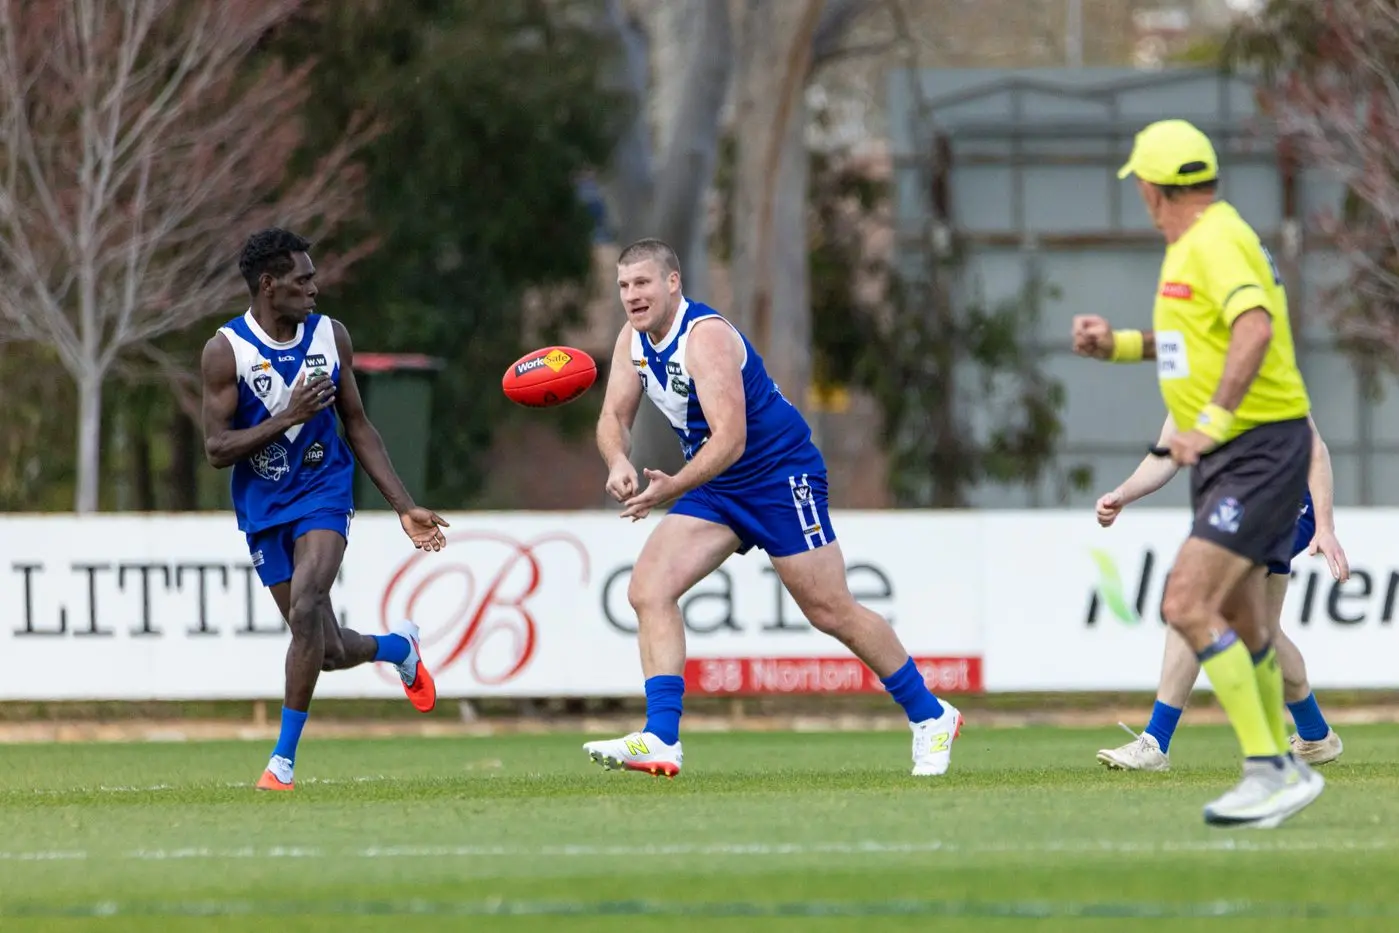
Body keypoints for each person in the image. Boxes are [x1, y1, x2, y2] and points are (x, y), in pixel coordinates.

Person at [583, 238, 962, 778]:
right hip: (719, 483)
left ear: (673, 283)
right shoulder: (632, 340)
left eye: (642, 283)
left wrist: (671, 489)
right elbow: (612, 417)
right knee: (648, 588)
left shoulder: (705, 338)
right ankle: (661, 738)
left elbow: (732, 438)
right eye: (623, 286)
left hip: (780, 475)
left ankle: (931, 715)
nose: (631, 296)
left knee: (830, 610)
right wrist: (618, 459)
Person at [1071, 118, 1326, 827]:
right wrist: (1117, 345)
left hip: (1253, 451)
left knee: (1186, 602)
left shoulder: (1212, 241)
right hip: (1234, 455)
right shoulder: (1202, 242)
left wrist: (1211, 422)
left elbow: (1252, 327)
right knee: (1246, 621)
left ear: (1152, 190)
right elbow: (1192, 339)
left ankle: (1272, 768)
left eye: (1141, 189)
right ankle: (1279, 768)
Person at [201, 228, 449, 791]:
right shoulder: (226, 351)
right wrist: (284, 419)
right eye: (303, 278)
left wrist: (404, 506)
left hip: (324, 491)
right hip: (264, 505)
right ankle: (397, 648)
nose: (316, 287)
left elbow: (357, 425)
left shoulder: (330, 336)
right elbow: (216, 450)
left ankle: (282, 762)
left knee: (310, 602)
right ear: (269, 285)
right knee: (328, 649)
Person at [1093, 413, 1349, 771]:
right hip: (1232, 504)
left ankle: (1155, 742)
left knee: (1194, 599)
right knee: (1262, 631)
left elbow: (1313, 446)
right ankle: (1315, 735)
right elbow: (1165, 454)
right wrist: (1122, 494)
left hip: (1283, 501)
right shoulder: (1190, 376)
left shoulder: (1255, 363)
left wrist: (1326, 526)